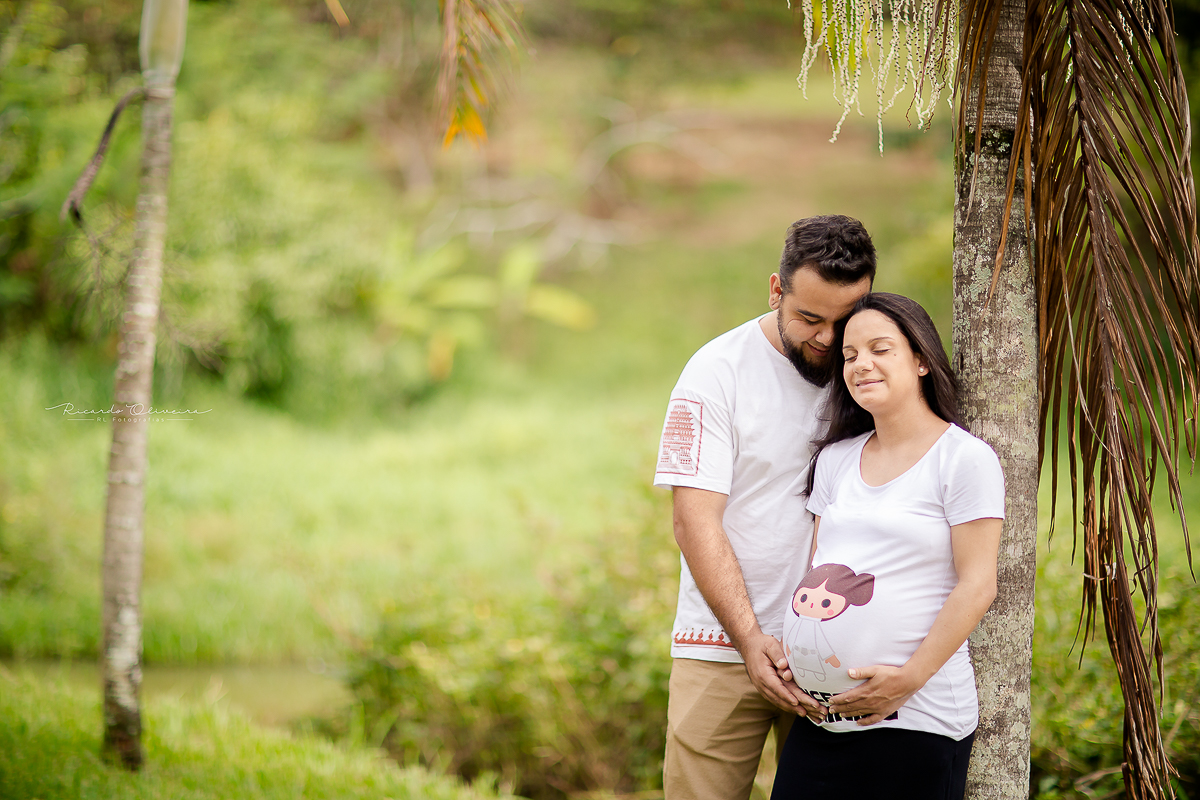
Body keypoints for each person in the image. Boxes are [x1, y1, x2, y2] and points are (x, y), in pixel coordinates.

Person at [653, 215, 876, 800]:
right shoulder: (715, 373)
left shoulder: (873, 374)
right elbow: (692, 520)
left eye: (843, 319)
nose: (828, 339)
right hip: (723, 646)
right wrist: (751, 641)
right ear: (776, 290)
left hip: (838, 653)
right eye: (809, 318)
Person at [770, 292, 1004, 800]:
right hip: (820, 723)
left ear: (920, 359)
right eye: (850, 356)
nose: (861, 365)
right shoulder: (834, 458)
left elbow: (978, 583)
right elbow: (820, 568)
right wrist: (796, 654)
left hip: (916, 721)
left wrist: (908, 679)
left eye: (881, 349)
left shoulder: (963, 459)